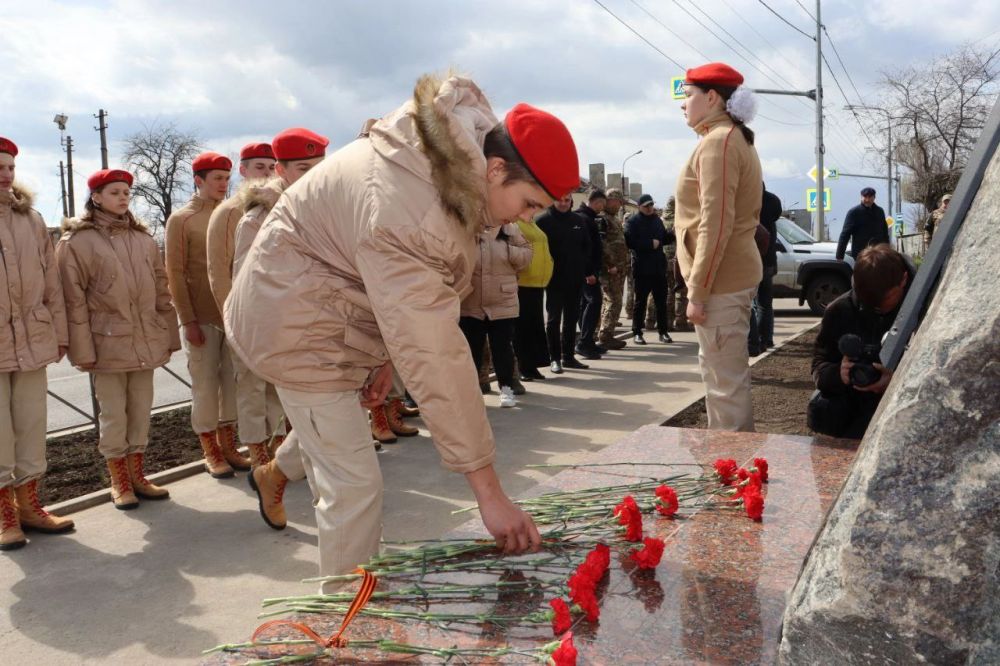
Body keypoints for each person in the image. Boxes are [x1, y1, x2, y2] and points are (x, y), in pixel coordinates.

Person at [225, 74, 578, 585]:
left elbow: (400, 294)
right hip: (294, 324)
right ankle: (348, 621)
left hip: (336, 307)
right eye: (527, 204)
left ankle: (275, 473)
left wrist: (384, 357)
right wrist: (489, 492)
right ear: (496, 167)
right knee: (354, 485)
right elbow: (434, 350)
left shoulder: (447, 164)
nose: (523, 220)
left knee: (332, 430)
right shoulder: (417, 207)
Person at [56, 168, 181, 510]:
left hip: (145, 340)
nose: (123, 197)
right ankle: (119, 480)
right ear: (96, 197)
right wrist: (82, 349)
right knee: (113, 415)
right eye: (114, 192)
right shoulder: (78, 242)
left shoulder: (142, 239)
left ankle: (138, 474)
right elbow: (73, 300)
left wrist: (168, 336)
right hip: (107, 344)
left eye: (126, 191)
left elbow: (160, 288)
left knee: (141, 410)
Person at [229, 128, 328, 530]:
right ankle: (338, 528)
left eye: (318, 167)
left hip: (334, 336)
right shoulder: (257, 220)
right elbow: (246, 286)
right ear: (281, 170)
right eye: (303, 168)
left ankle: (273, 474)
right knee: (329, 437)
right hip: (292, 340)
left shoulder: (329, 206)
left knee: (326, 425)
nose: (312, 176)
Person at [675, 62, 763, 432]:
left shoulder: (719, 143)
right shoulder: (725, 137)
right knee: (720, 379)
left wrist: (698, 291)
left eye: (688, 95)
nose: (683, 104)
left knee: (725, 386)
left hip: (721, 284)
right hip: (725, 279)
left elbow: (716, 223)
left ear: (712, 98)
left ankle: (734, 476)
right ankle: (728, 469)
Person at [0, 137, 73, 550]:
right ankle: (5, 517)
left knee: (30, 427)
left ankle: (30, 507)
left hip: (32, 339)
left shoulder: (30, 219)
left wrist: (59, 333)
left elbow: (52, 283)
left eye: (10, 167)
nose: (6, 174)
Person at [165, 151, 242, 478]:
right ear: (198, 181)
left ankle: (229, 444)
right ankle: (210, 449)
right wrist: (188, 320)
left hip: (233, 315)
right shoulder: (181, 220)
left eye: (227, 178)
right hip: (202, 318)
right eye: (217, 179)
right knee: (206, 387)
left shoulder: (234, 215)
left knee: (232, 384)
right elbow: (176, 274)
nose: (223, 185)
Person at [808, 245, 912, 439]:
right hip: (851, 417)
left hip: (905, 415)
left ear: (904, 279)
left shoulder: (925, 307)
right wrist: (839, 373)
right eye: (870, 304)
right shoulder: (839, 310)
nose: (880, 308)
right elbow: (818, 364)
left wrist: (895, 379)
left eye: (888, 298)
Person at [460, 223, 533, 408]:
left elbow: (526, 256)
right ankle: (470, 393)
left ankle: (506, 387)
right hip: (471, 300)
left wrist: (507, 250)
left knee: (502, 348)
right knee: (471, 350)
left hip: (502, 300)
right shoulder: (466, 227)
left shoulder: (511, 230)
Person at [206, 142, 276, 314]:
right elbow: (219, 272)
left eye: (272, 167)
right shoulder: (228, 212)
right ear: (243, 171)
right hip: (243, 311)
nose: (267, 172)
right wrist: (232, 320)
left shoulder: (281, 205)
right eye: (259, 167)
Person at [536, 193, 591, 373]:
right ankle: (555, 359)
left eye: (567, 200)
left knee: (571, 319)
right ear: (553, 200)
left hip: (575, 279)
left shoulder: (578, 220)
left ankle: (568, 357)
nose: (563, 203)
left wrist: (584, 270)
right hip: (553, 280)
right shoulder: (543, 221)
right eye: (560, 199)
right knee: (553, 320)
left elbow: (586, 247)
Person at [624, 193, 671, 345]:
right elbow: (630, 242)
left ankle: (663, 332)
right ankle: (637, 332)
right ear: (639, 207)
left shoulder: (657, 220)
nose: (650, 208)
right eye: (646, 206)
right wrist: (649, 244)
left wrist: (675, 234)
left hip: (658, 267)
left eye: (651, 205)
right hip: (642, 268)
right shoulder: (633, 221)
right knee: (640, 302)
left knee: (661, 302)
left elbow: (663, 237)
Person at [514, 215, 553, 381]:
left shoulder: (533, 223)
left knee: (534, 327)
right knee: (522, 329)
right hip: (522, 283)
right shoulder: (514, 224)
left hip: (537, 283)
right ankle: (523, 367)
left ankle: (532, 366)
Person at [749, 184, 782, 355]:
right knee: (765, 304)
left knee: (751, 304)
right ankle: (767, 338)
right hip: (768, 261)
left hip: (751, 261)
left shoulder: (747, 202)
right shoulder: (772, 203)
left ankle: (757, 342)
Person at [574, 190, 605, 359]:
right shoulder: (584, 218)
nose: (602, 208)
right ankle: (583, 342)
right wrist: (589, 272)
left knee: (586, 303)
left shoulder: (588, 218)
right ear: (595, 202)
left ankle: (588, 341)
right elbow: (583, 249)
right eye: (601, 204)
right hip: (587, 271)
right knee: (594, 302)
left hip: (590, 270)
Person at [597, 188, 628, 350]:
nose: (618, 204)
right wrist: (610, 264)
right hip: (611, 269)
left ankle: (604, 332)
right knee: (614, 301)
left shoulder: (613, 218)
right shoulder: (603, 219)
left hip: (619, 268)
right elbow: (603, 245)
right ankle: (605, 335)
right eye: (617, 201)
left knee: (610, 301)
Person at [836, 187, 889, 261]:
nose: (867, 200)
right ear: (861, 197)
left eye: (870, 197)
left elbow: (884, 232)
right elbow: (845, 234)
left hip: (878, 253)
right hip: (861, 254)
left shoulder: (879, 211)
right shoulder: (854, 212)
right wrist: (839, 256)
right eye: (865, 197)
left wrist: (887, 250)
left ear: (874, 197)